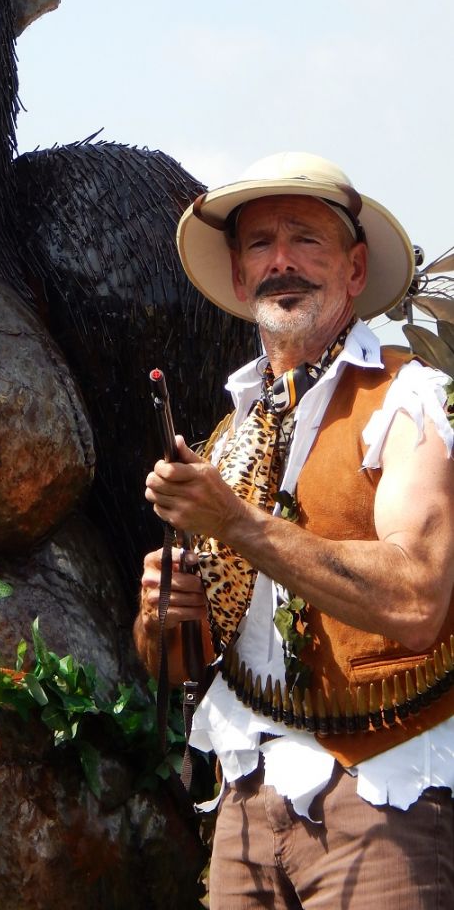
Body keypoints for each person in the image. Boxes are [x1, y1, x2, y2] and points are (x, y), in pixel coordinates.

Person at [134, 151, 454, 909]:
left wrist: (238, 525)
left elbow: (418, 604)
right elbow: (178, 667)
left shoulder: (411, 401)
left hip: (382, 791)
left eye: (306, 239)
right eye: (260, 245)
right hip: (246, 798)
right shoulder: (226, 436)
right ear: (242, 279)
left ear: (354, 268)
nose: (282, 262)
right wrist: (161, 615)